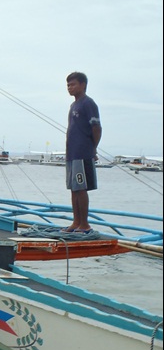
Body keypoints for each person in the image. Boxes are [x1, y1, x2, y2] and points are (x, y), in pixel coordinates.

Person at [63, 71, 101, 233]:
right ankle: (76, 222)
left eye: (73, 84)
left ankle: (84, 224)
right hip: (71, 153)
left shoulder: (88, 103)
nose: (69, 88)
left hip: (83, 152)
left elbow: (96, 127)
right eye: (68, 85)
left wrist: (93, 148)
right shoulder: (73, 105)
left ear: (83, 85)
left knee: (81, 187)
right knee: (73, 188)